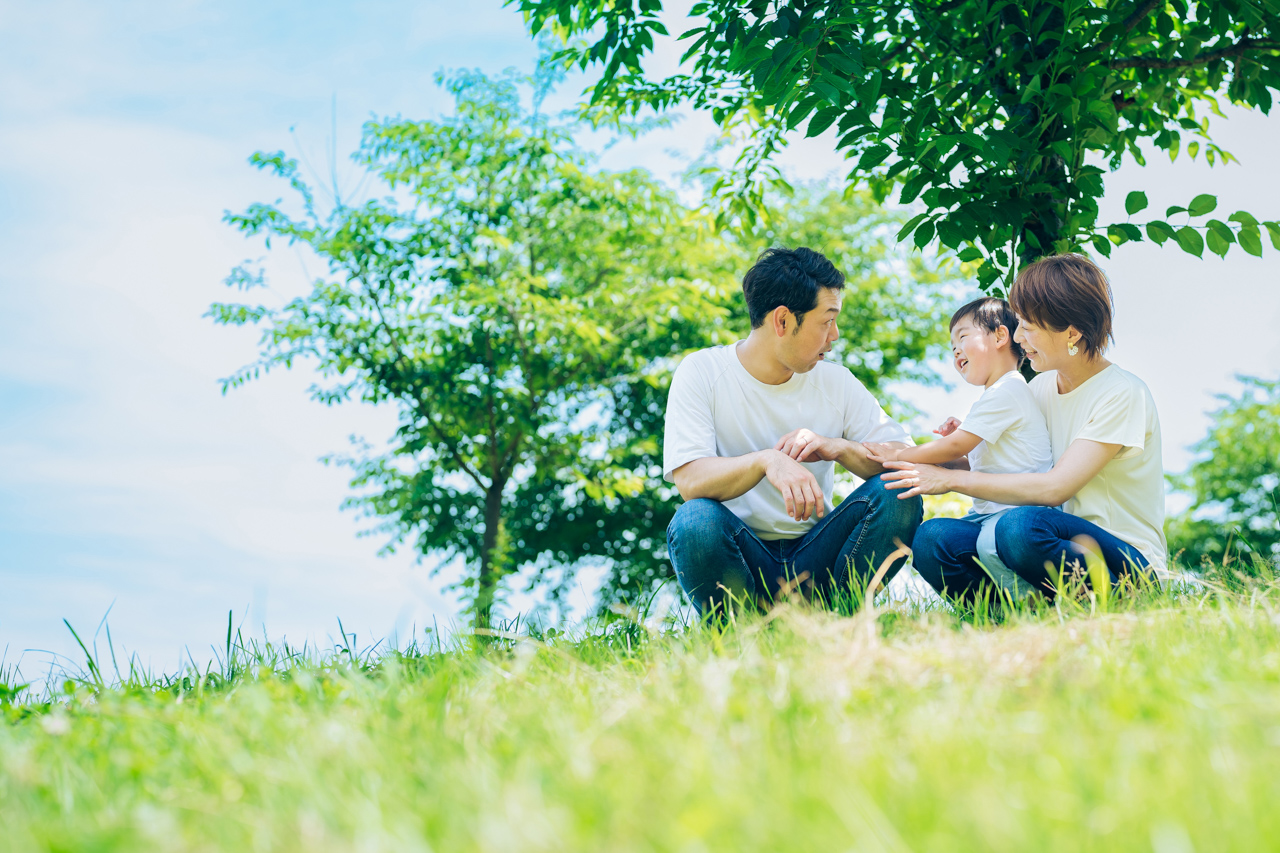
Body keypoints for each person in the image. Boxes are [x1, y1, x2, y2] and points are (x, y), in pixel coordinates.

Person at [881, 254, 1166, 603]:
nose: (1018, 337)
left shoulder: (1122, 393)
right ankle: (1012, 617)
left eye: (1028, 328)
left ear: (1071, 333)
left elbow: (1054, 489)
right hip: (1044, 541)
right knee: (933, 537)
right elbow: (1019, 468)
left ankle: (1114, 602)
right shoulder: (1040, 388)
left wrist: (952, 480)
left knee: (1018, 527)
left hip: (1124, 562)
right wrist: (962, 456)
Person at [663, 246, 924, 617]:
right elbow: (690, 480)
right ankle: (739, 633)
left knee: (900, 492)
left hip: (820, 558)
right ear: (782, 321)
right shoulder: (701, 372)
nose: (835, 335)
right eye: (826, 320)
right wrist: (766, 462)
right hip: (741, 553)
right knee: (694, 520)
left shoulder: (837, 382)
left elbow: (906, 460)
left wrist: (838, 448)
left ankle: (842, 621)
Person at [864, 297, 1053, 597]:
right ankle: (986, 611)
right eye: (951, 345)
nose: (955, 350)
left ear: (1001, 336)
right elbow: (971, 460)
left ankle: (1029, 605)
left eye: (963, 337)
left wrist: (899, 454)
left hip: (1018, 514)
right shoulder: (994, 396)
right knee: (932, 539)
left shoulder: (1010, 389)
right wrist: (957, 455)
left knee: (991, 545)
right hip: (991, 513)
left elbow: (955, 446)